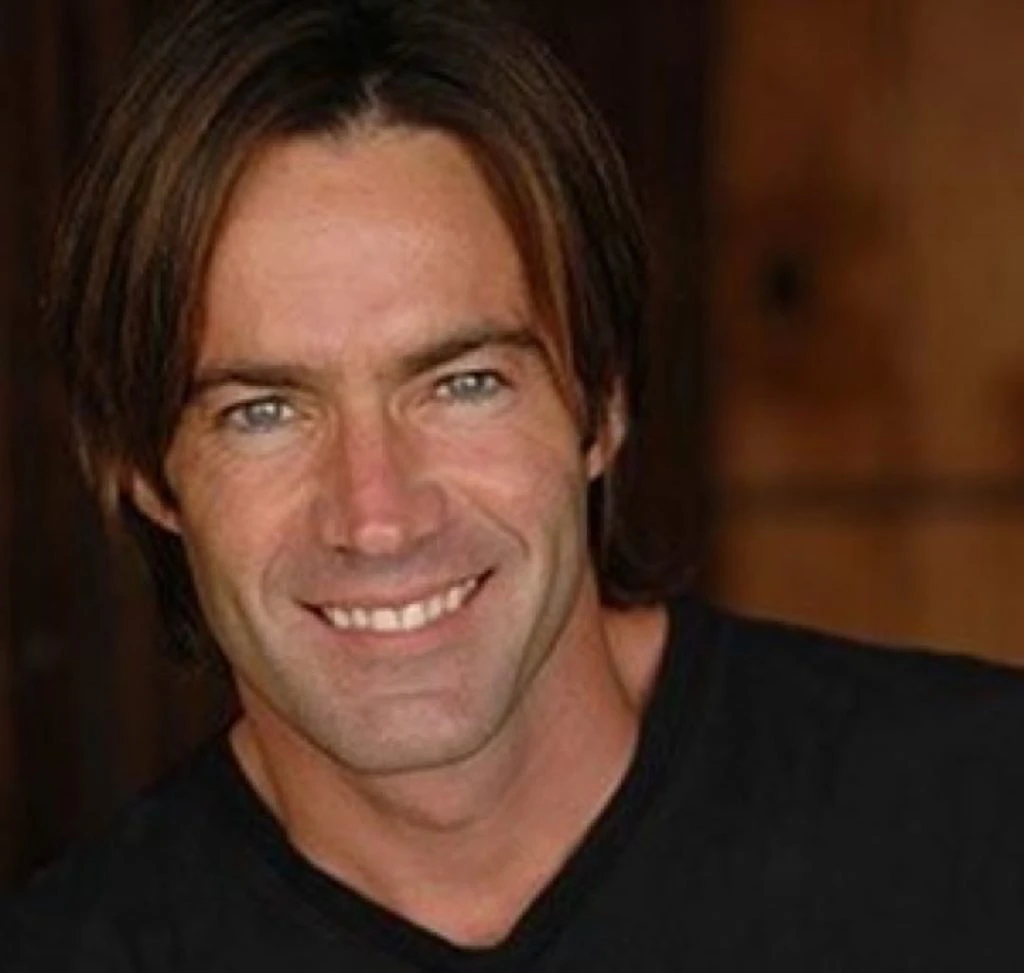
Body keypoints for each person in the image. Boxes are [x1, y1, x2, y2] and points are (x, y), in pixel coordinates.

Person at [5, 0, 1024, 968]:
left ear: (601, 402)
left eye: (463, 384)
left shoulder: (981, 816)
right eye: (265, 410)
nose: (377, 515)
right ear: (144, 471)